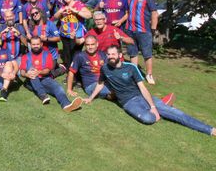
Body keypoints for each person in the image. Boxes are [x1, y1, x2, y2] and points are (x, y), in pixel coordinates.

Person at [84, 45, 216, 136]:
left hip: (142, 96)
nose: (110, 56)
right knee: (148, 119)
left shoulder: (130, 68)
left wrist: (152, 106)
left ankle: (210, 130)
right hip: (128, 103)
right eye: (108, 54)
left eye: (113, 54)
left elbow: (143, 87)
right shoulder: (105, 69)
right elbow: (100, 84)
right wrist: (90, 98)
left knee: (176, 114)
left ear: (119, 55)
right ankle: (163, 106)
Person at [21, 37, 83, 112]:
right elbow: (22, 72)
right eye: (33, 44)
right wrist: (27, 75)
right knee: (33, 75)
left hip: (45, 78)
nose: (36, 46)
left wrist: (38, 72)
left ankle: (66, 105)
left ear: (41, 44)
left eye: (37, 44)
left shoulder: (47, 54)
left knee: (58, 88)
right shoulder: (25, 56)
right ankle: (43, 95)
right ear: (30, 45)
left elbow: (47, 70)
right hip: (31, 80)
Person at [125, 0, 159, 84]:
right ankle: (134, 74)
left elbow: (154, 13)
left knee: (147, 54)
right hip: (130, 30)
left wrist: (153, 28)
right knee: (132, 53)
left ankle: (149, 74)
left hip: (144, 30)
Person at [54, 0, 92, 69]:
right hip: (65, 35)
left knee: (76, 54)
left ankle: (77, 74)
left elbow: (89, 15)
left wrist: (76, 11)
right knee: (67, 55)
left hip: (77, 34)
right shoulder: (64, 6)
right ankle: (69, 73)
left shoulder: (78, 4)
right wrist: (61, 12)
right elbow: (55, 16)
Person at [27, 7, 66, 76]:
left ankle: (62, 69)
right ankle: (55, 65)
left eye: (36, 13)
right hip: (38, 55)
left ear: (40, 13)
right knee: (34, 73)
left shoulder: (50, 24)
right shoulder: (32, 27)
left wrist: (47, 39)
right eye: (32, 14)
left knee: (48, 75)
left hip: (51, 55)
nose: (35, 15)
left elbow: (58, 38)